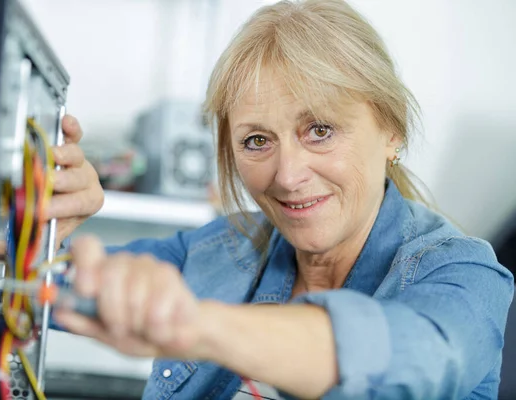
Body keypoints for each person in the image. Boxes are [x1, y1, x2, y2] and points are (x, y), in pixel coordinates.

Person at [49, 0, 514, 399]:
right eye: (256, 141)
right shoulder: (225, 247)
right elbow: (17, 287)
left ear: (391, 133)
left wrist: (199, 326)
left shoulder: (464, 275)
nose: (288, 176)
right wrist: (54, 231)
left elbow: (408, 354)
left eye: (320, 130)